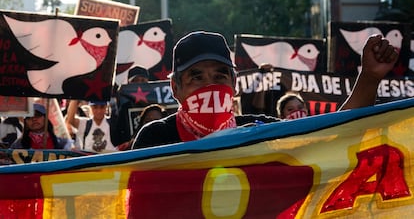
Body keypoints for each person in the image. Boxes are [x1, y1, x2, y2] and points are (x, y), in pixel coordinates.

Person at [131, 31, 398, 149]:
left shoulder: (258, 131)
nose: (210, 85)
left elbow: (332, 137)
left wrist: (369, 78)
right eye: (196, 77)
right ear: (175, 88)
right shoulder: (155, 138)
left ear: (234, 84)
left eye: (219, 75)